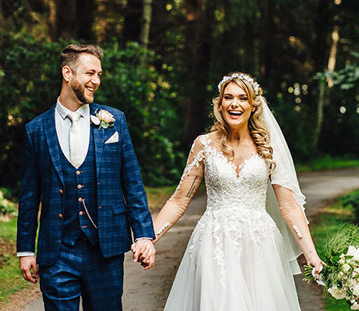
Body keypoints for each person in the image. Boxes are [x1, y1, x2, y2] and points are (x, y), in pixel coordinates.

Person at [136, 72, 323, 310]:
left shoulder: (268, 148)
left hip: (260, 244)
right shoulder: (203, 145)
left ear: (253, 105)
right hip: (214, 243)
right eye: (228, 97)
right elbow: (179, 200)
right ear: (220, 103)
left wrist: (311, 256)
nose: (235, 103)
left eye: (242, 98)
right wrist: (149, 239)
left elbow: (289, 206)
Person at [16, 44, 156, 310]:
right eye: (90, 73)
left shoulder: (115, 120)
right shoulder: (36, 129)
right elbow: (29, 195)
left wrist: (144, 236)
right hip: (57, 251)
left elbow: (133, 182)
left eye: (99, 75)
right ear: (67, 73)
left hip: (106, 249)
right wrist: (25, 250)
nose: (96, 81)